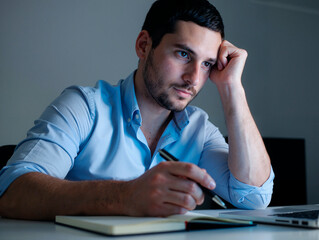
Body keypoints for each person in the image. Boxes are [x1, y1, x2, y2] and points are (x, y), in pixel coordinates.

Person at [0, 0, 274, 220]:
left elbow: (254, 197)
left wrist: (232, 88)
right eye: (183, 54)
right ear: (144, 45)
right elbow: (13, 192)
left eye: (206, 64)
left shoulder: (199, 130)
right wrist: (125, 196)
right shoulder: (84, 107)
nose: (194, 78)